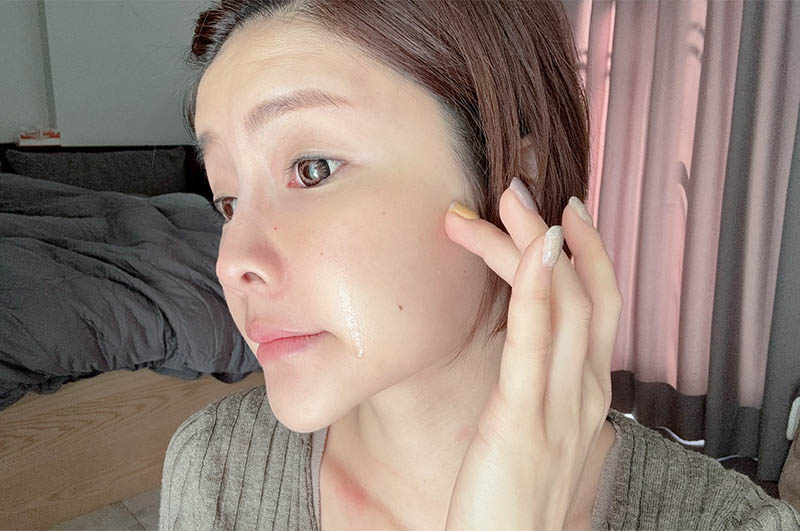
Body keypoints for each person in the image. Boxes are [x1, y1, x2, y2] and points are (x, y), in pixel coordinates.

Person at [159, 0, 800, 529]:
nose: (231, 261)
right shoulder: (213, 470)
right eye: (227, 201)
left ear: (514, 175)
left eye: (312, 168)